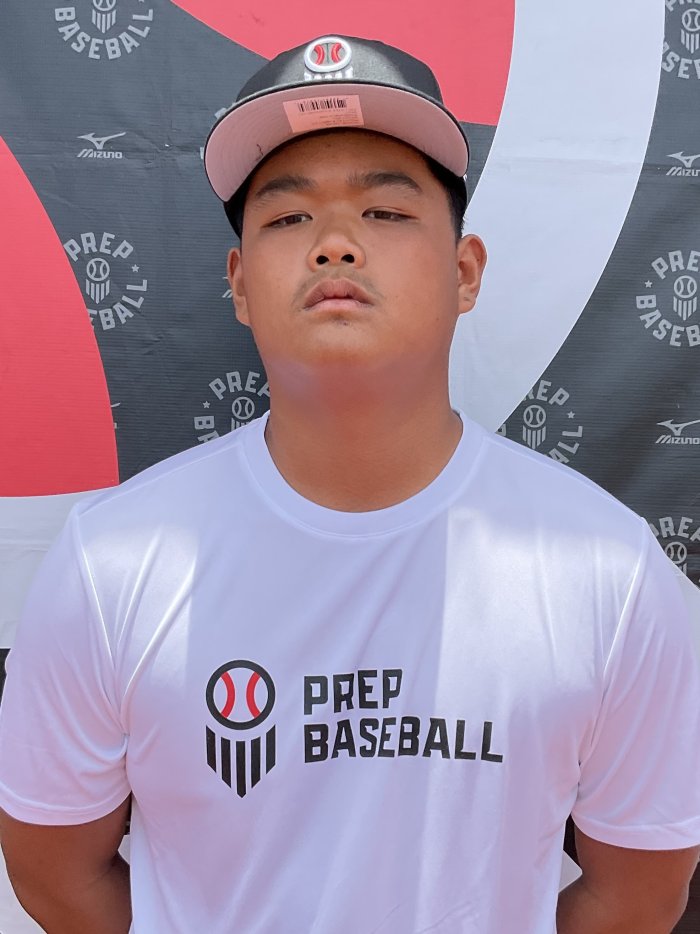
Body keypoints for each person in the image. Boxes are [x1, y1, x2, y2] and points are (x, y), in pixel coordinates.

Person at [1, 33, 700, 934]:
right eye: (288, 218)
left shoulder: (606, 570)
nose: (334, 244)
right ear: (239, 283)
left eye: (385, 211)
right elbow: (55, 873)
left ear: (464, 272)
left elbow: (640, 891)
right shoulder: (113, 564)